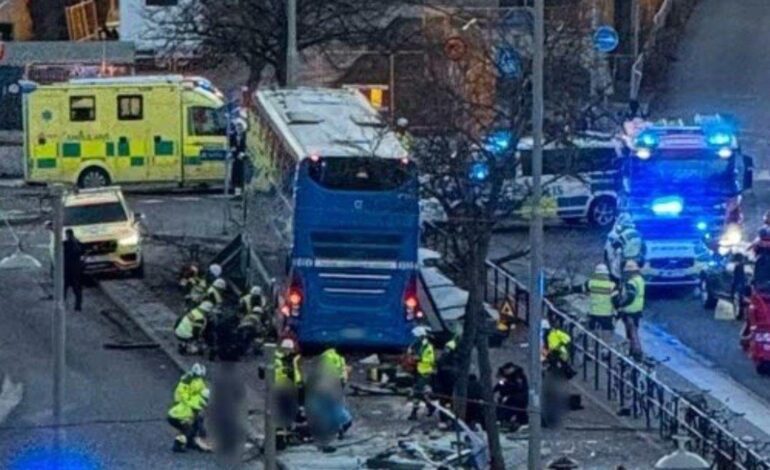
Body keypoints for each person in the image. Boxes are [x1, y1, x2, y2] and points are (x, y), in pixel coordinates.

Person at [167, 363, 212, 453]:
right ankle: (178, 445)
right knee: (188, 428)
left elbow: (201, 388)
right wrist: (203, 434)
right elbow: (182, 394)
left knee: (196, 422)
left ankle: (190, 442)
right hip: (181, 408)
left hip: (183, 407)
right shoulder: (186, 381)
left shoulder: (198, 381)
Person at [616, 260, 646, 360]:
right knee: (634, 331)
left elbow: (630, 297)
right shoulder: (640, 280)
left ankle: (636, 352)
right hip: (638, 310)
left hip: (630, 311)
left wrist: (620, 304)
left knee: (632, 332)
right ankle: (634, 351)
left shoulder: (631, 282)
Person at [274, 339, 303, 439]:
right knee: (284, 411)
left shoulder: (290, 358)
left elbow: (295, 373)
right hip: (282, 388)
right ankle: (282, 432)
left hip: (290, 388)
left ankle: (287, 431)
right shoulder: (279, 359)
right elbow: (281, 373)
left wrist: (299, 383)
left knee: (290, 411)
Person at [407, 326, 436, 421]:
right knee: (418, 391)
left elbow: (430, 359)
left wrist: (418, 359)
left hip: (424, 371)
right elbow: (410, 351)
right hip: (416, 370)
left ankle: (414, 412)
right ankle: (430, 406)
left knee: (417, 391)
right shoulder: (416, 344)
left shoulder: (428, 346)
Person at [586, 263, 618, 344]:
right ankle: (605, 350)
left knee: (591, 333)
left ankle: (591, 348)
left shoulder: (590, 283)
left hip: (593, 313)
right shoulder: (612, 285)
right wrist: (617, 311)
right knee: (606, 333)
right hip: (606, 314)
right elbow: (616, 301)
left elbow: (579, 288)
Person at [433, 337, 459, 429]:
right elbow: (438, 373)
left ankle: (451, 421)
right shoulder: (443, 361)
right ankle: (445, 420)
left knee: (451, 404)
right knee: (444, 403)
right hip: (444, 386)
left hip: (451, 386)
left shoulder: (456, 360)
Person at [494, 362, 528, 431]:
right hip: (509, 397)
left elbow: (518, 387)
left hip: (519, 397)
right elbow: (500, 384)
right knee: (504, 409)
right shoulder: (506, 378)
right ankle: (506, 422)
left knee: (516, 410)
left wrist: (508, 392)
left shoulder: (518, 376)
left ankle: (520, 423)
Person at [63, 229, 84, 312]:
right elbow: (83, 251)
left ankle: (62, 304)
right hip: (76, 269)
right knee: (77, 289)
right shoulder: (78, 244)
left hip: (67, 268)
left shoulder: (65, 244)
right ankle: (78, 306)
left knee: (64, 289)